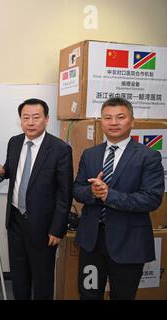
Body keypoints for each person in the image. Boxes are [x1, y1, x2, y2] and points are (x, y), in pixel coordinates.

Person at [74, 97, 164, 300]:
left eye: (120, 117)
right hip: (92, 243)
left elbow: (151, 199)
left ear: (132, 121)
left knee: (122, 296)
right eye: (108, 118)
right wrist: (92, 192)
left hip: (129, 243)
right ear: (102, 122)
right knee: (88, 294)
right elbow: (77, 190)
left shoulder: (148, 156)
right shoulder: (90, 154)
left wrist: (109, 195)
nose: (113, 122)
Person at [0, 98, 73, 300]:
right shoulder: (15, 142)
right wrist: (2, 172)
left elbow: (65, 193)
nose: (30, 122)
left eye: (36, 117)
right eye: (25, 117)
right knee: (19, 276)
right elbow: (13, 170)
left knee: (42, 277)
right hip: (16, 221)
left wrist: (57, 228)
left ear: (46, 119)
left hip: (44, 226)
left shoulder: (59, 149)